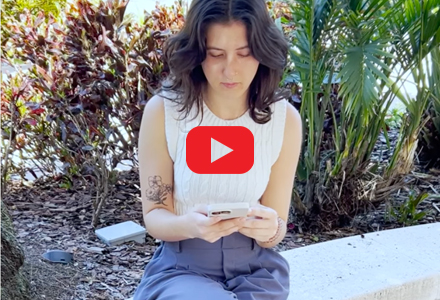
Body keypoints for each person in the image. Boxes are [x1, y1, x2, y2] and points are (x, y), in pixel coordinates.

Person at [133, 0, 303, 299]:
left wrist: (270, 230)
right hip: (181, 269)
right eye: (215, 54)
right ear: (198, 54)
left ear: (262, 53)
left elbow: (276, 224)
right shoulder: (164, 112)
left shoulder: (284, 120)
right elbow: (155, 215)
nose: (230, 70)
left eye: (244, 53)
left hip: (257, 272)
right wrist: (191, 225)